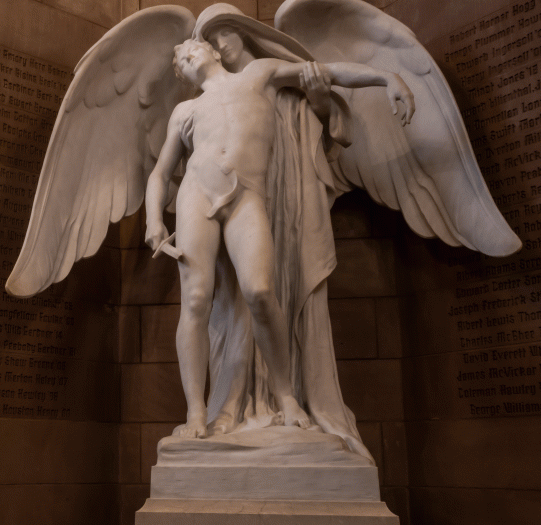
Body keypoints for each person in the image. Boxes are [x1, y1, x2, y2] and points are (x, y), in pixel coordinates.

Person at [145, 38, 413, 442]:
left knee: (259, 289)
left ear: (216, 52)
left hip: (247, 193)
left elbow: (329, 70)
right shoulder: (186, 110)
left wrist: (385, 77)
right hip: (196, 196)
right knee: (196, 299)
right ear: (183, 76)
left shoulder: (258, 74)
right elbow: (160, 173)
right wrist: (153, 221)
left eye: (192, 48)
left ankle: (286, 395)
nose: (186, 56)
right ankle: (195, 411)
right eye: (180, 59)